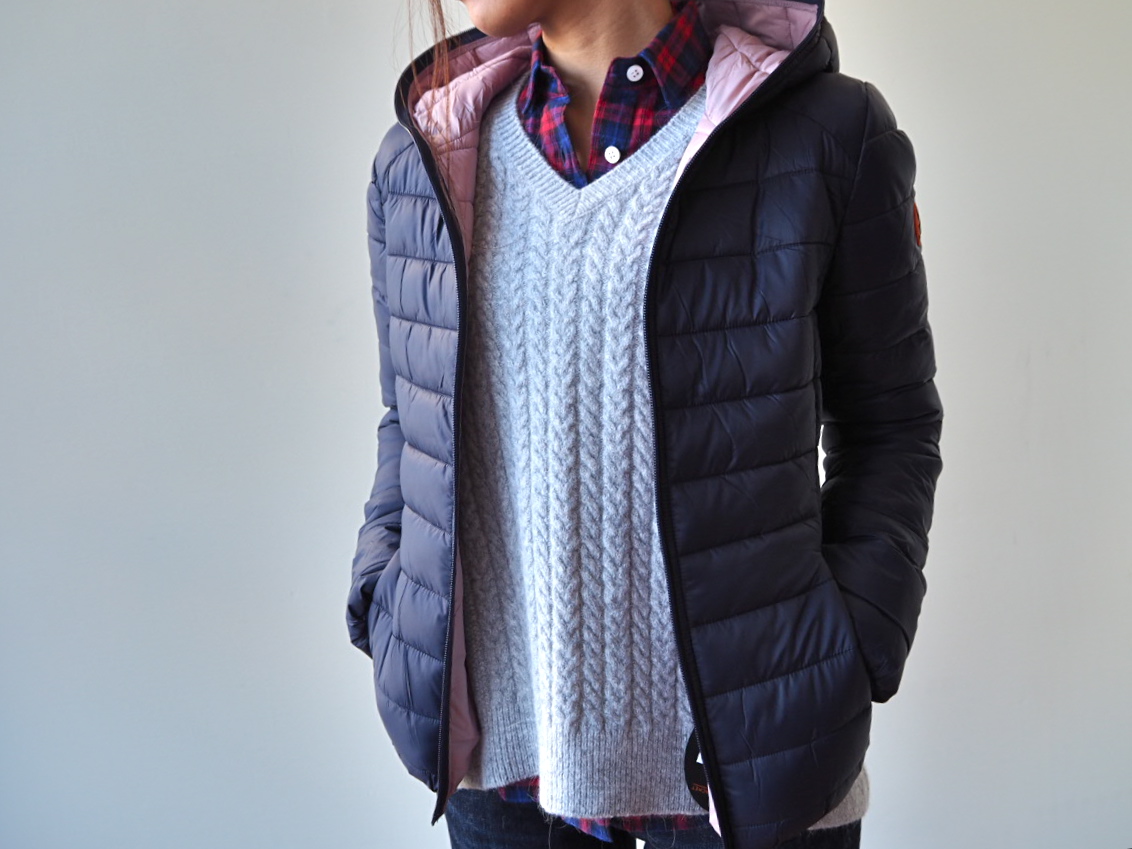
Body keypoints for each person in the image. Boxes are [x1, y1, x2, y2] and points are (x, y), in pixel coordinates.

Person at [346, 0, 944, 847]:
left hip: (756, 775)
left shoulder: (829, 137)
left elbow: (891, 426)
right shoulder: (425, 158)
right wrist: (384, 597)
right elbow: (410, 424)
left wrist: (850, 652)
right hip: (499, 778)